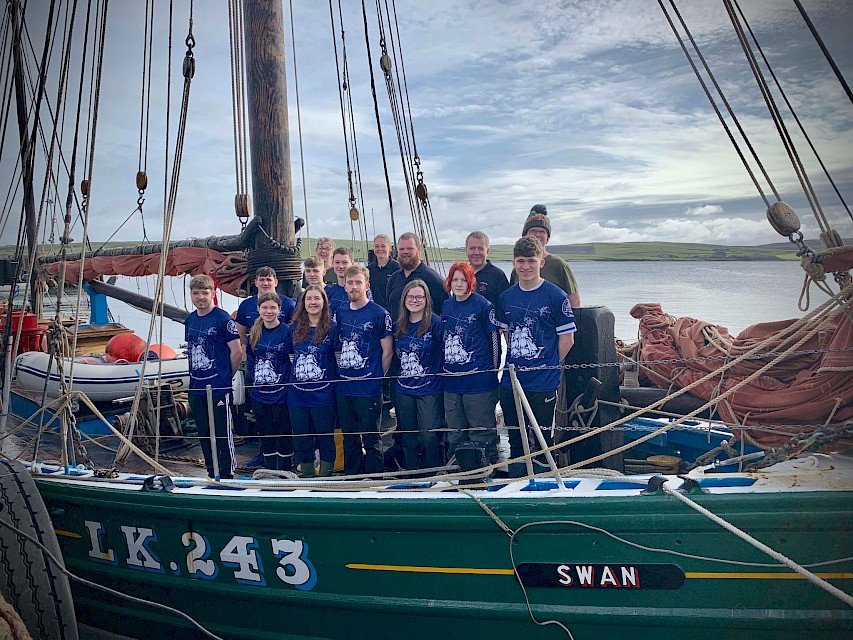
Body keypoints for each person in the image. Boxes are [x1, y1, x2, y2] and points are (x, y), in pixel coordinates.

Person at [498, 236, 576, 478]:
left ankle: (545, 481)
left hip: (543, 381)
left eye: (531, 261)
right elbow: (507, 335)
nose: (526, 266)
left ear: (541, 262)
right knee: (515, 438)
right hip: (512, 380)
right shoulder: (506, 298)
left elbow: (567, 340)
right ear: (513, 263)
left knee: (543, 438)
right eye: (520, 261)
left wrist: (548, 363)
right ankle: (516, 481)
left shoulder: (556, 296)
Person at [440, 261, 501, 466]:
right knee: (455, 431)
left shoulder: (483, 306)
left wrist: (492, 372)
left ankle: (487, 467)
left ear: (471, 281)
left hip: (478, 381)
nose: (459, 284)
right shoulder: (446, 306)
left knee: (481, 431)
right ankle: (457, 469)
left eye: (463, 279)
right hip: (452, 382)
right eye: (455, 279)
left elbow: (494, 341)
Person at [334, 265, 393, 474]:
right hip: (345, 387)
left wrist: (377, 377)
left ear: (366, 286)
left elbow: (387, 351)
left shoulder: (379, 313)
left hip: (368, 387)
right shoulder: (340, 314)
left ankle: (375, 476)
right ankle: (352, 475)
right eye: (350, 283)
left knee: (371, 436)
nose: (353, 286)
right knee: (349, 436)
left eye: (358, 282)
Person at [185, 274, 242, 479]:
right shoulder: (190, 319)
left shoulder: (222, 319)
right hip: (196, 386)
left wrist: (226, 377)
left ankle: (227, 473)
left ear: (213, 293)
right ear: (191, 294)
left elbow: (236, 352)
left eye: (205, 293)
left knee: (221, 433)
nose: (201, 297)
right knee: (203, 432)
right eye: (196, 293)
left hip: (217, 386)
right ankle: (211, 471)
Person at [284, 284, 338, 478]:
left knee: (325, 438)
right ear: (303, 303)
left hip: (323, 395)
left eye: (317, 298)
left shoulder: (332, 328)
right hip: (297, 396)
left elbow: (337, 359)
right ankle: (307, 476)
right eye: (309, 299)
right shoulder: (294, 328)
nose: (313, 302)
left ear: (324, 302)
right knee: (302, 439)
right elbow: (291, 357)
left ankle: (325, 478)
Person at [393, 279, 444, 471]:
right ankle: (412, 474)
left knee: (428, 434)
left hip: (429, 388)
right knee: (408, 435)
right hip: (404, 388)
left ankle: (432, 473)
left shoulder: (436, 323)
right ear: (404, 299)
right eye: (411, 296)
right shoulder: (399, 325)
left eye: (419, 297)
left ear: (426, 300)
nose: (414, 300)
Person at [245, 292, 293, 470]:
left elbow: (292, 358)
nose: (269, 311)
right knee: (266, 434)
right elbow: (251, 360)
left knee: (283, 434)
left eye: (273, 307)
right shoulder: (254, 333)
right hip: (259, 394)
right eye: (265, 307)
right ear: (258, 309)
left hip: (281, 395)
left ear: (280, 310)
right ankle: (270, 470)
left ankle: (285, 471)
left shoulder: (287, 332)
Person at [510, 204, 581, 307]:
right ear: (524, 236)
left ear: (547, 238)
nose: (537, 235)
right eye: (533, 231)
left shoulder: (559, 265)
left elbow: (574, 302)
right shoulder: (519, 268)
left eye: (542, 232)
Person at [387, 232, 447, 318]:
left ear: (418, 250)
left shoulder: (434, 280)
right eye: (402, 249)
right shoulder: (393, 279)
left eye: (410, 248)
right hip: (397, 331)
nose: (405, 252)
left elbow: (444, 313)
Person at [466, 230, 509, 308]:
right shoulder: (461, 275)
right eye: (472, 248)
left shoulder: (498, 276)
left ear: (487, 251)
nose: (476, 252)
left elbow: (505, 307)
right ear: (466, 250)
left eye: (480, 248)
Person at [326, 246, 372, 316]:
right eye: (337, 262)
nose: (341, 266)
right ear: (332, 264)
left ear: (352, 264)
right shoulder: (328, 292)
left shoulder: (362, 291)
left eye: (345, 262)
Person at [367, 234, 399, 313]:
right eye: (377, 246)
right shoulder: (368, 270)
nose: (380, 249)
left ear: (390, 248)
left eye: (383, 246)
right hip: (374, 312)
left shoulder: (398, 269)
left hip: (393, 312)